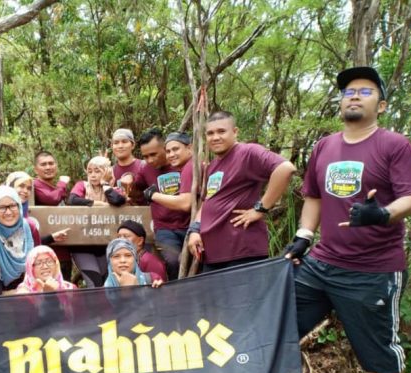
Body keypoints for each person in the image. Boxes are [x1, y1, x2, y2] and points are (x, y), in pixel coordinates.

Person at [285, 66, 411, 373]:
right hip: (321, 263)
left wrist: (384, 213)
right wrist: (302, 238)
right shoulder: (325, 145)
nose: (354, 96)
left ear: (381, 102)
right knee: (277, 324)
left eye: (365, 90)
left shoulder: (395, 145)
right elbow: (313, 196)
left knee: (379, 346)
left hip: (373, 269)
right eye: (347, 91)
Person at [187, 111, 296, 272]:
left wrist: (261, 208)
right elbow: (207, 202)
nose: (215, 137)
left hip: (241, 252)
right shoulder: (213, 166)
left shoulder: (247, 153)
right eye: (210, 133)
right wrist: (195, 230)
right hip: (214, 254)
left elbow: (285, 168)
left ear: (235, 132)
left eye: (221, 131)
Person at [141, 131, 195, 280]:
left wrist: (154, 195)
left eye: (154, 154)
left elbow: (187, 202)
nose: (150, 160)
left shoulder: (185, 165)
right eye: (145, 157)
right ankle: (176, 295)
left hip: (190, 224)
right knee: (173, 261)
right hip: (165, 228)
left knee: (197, 260)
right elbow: (136, 189)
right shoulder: (145, 169)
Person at [67, 156, 126, 287]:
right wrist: (98, 203)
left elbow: (118, 201)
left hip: (105, 245)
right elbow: (72, 200)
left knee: (106, 283)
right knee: (94, 283)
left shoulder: (113, 188)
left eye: (97, 171)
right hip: (83, 245)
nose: (93, 175)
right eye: (90, 171)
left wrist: (105, 184)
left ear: (107, 171)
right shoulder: (82, 185)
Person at [33, 150, 73, 280]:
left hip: (63, 253)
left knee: (64, 295)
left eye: (51, 163)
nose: (48, 167)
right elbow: (51, 199)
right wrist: (62, 184)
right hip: (44, 255)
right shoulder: (35, 185)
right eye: (43, 164)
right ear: (36, 169)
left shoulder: (55, 188)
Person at [111, 128, 145, 204]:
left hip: (144, 214)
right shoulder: (110, 171)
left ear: (133, 145)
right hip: (118, 215)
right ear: (112, 147)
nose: (120, 146)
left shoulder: (143, 166)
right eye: (116, 143)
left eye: (124, 141)